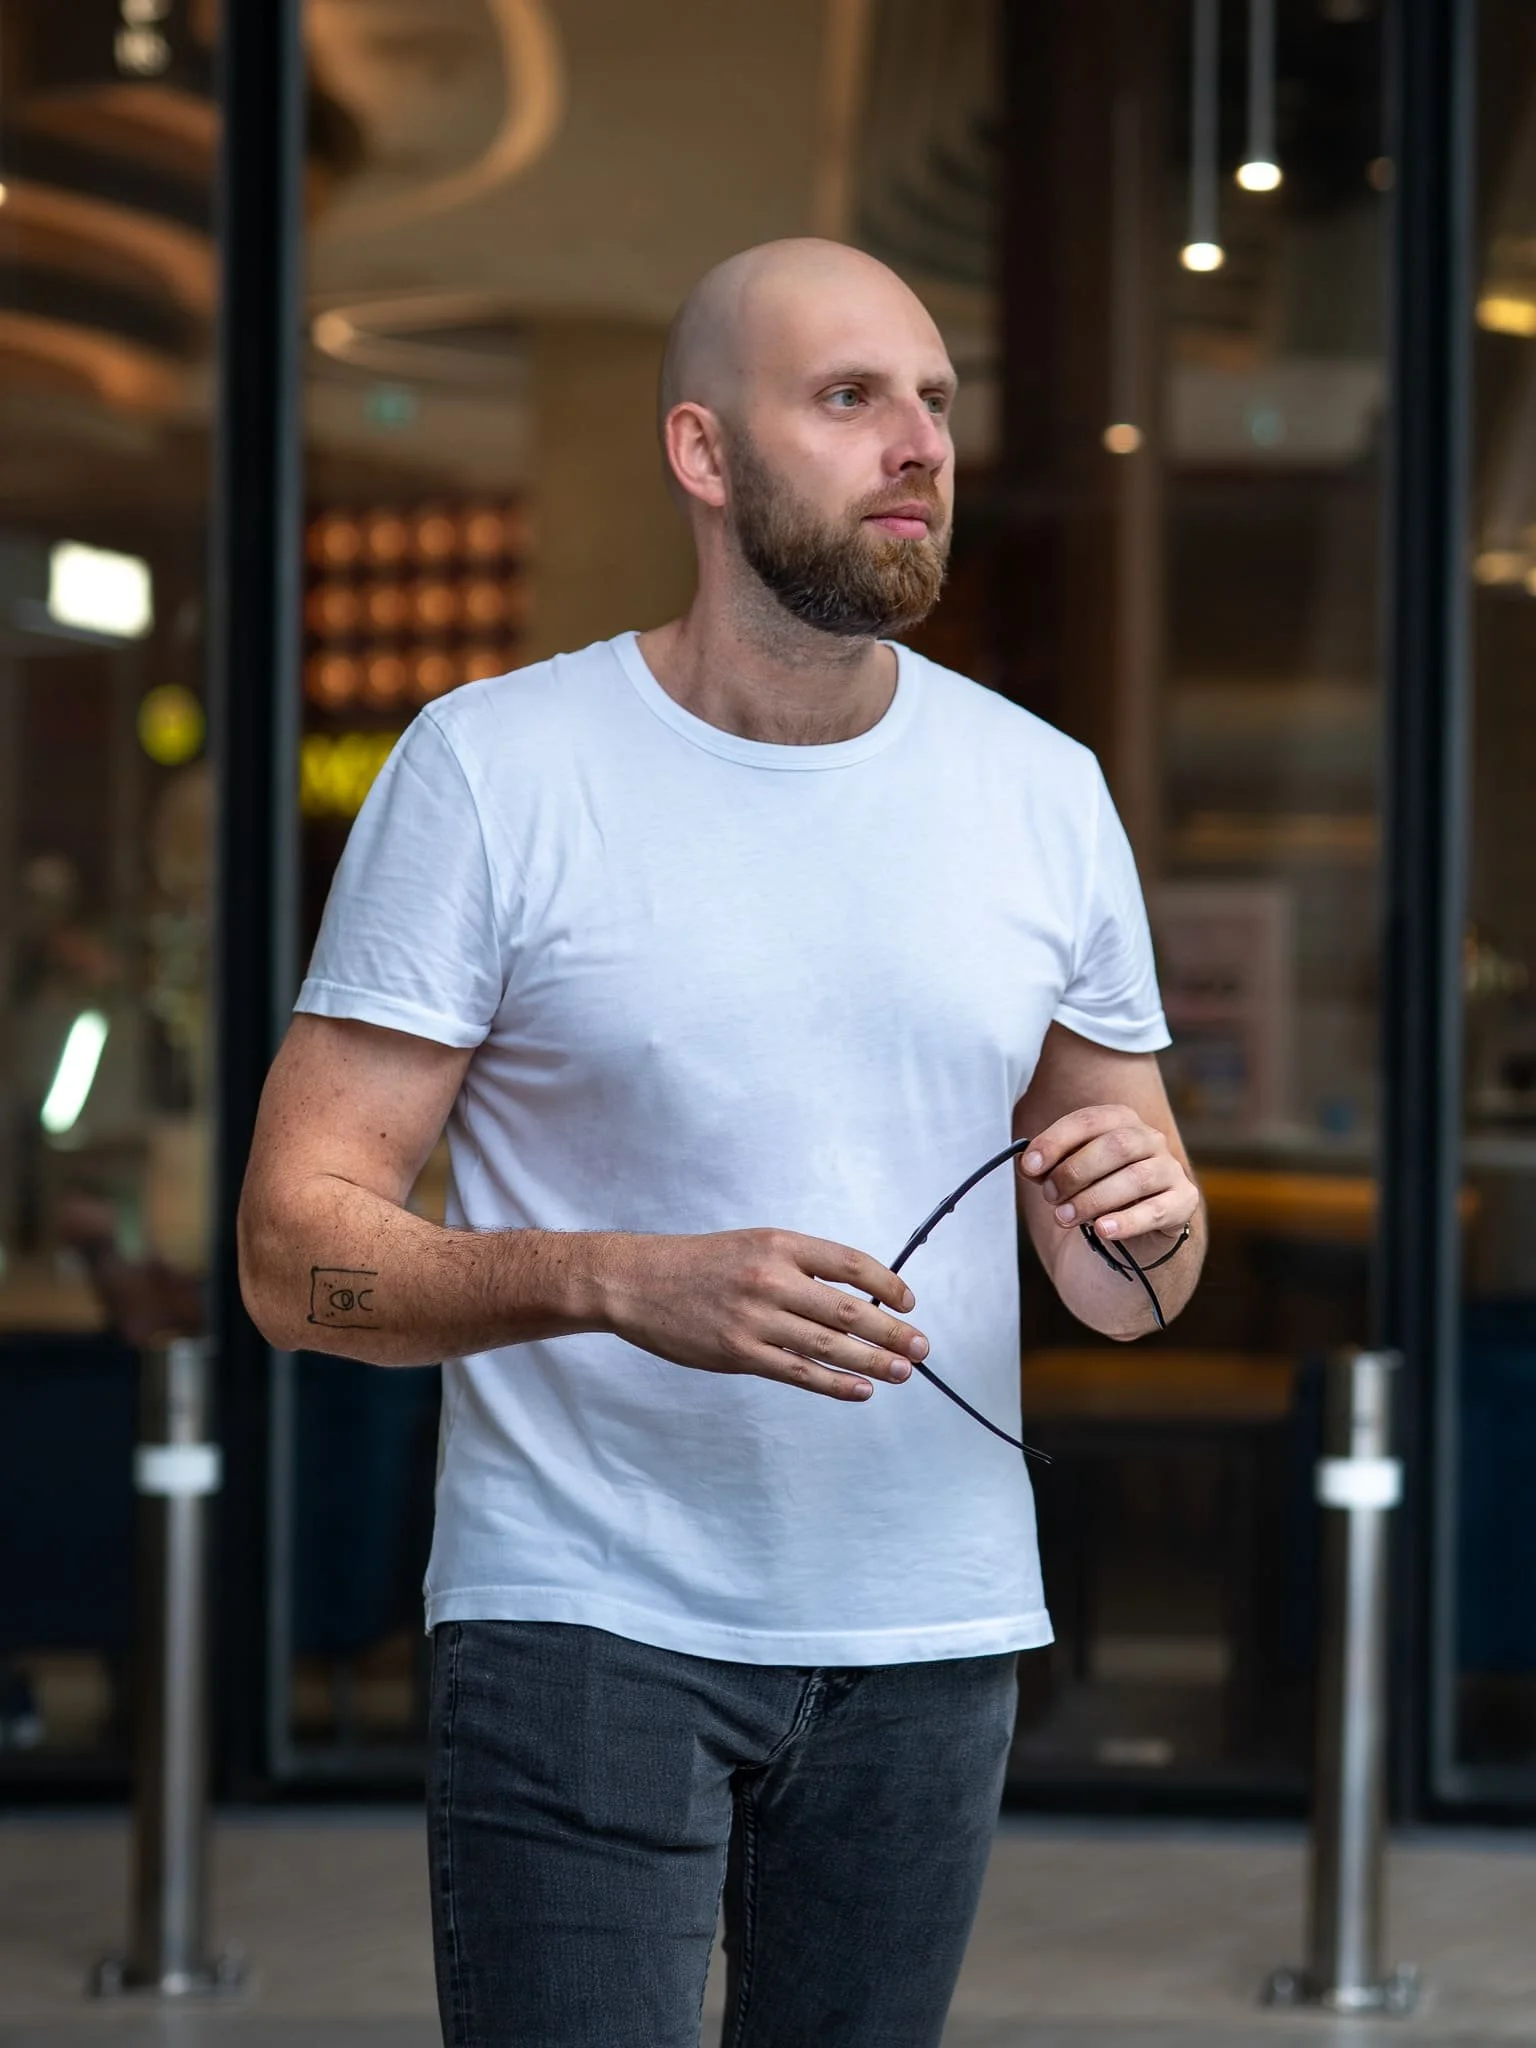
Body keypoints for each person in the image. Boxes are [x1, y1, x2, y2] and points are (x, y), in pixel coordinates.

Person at [239, 238, 1205, 2048]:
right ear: (702, 452)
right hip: (582, 1621)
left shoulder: (1043, 793)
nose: (917, 442)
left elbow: (1130, 1275)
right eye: (850, 399)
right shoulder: (493, 771)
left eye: (934, 400)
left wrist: (1149, 1224)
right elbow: (296, 1258)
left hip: (934, 1628)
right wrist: (621, 1280)